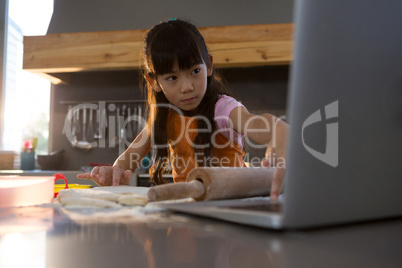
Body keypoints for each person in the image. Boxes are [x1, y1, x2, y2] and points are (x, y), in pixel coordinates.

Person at [77, 19, 288, 201]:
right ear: (154, 81)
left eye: (195, 71)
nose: (187, 86)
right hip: (185, 213)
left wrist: (278, 132)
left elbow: (261, 124)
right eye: (172, 77)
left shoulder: (224, 110)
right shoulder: (164, 117)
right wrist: (112, 174)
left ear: (209, 66)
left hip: (230, 210)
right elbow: (125, 162)